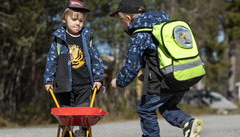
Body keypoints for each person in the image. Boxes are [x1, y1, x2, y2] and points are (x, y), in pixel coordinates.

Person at [109, 0, 203, 137]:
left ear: (128, 18)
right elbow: (159, 58)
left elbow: (132, 66)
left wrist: (119, 82)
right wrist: (146, 74)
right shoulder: (162, 26)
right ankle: (188, 123)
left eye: (121, 21)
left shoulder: (139, 34)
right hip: (180, 76)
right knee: (166, 107)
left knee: (145, 110)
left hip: (162, 83)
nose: (123, 25)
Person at [43, 0, 104, 136]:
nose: (78, 23)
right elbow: (51, 61)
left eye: (81, 21)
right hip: (64, 85)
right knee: (66, 112)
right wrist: (48, 80)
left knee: (83, 112)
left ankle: (82, 131)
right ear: (64, 19)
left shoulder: (87, 38)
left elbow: (96, 59)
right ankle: (67, 132)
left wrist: (98, 78)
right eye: (74, 19)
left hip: (84, 84)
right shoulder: (59, 39)